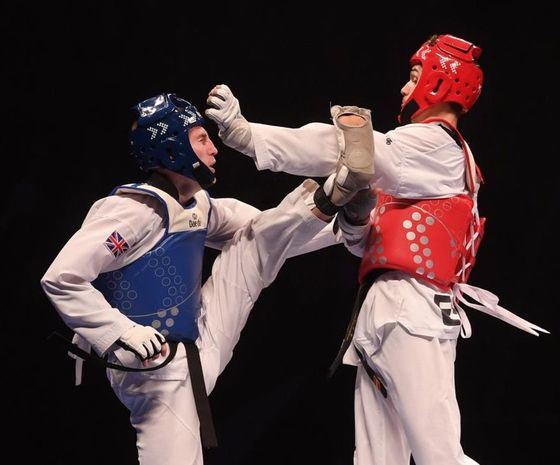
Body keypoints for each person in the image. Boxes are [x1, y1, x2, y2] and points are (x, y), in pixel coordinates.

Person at [205, 34, 548, 465]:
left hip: (414, 311)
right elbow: (358, 242)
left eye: (414, 76)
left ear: (441, 82)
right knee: (374, 460)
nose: (404, 88)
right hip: (383, 313)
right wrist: (353, 220)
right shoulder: (413, 170)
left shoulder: (436, 146)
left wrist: (250, 137)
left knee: (439, 455)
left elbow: (351, 148)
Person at [41, 93, 376, 465]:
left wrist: (345, 223)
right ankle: (336, 200)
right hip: (155, 369)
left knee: (256, 240)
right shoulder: (129, 212)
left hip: (200, 342)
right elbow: (61, 277)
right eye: (201, 139)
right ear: (172, 150)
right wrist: (121, 332)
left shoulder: (199, 205)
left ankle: (339, 201)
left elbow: (270, 235)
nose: (213, 148)